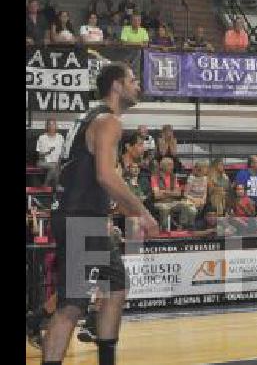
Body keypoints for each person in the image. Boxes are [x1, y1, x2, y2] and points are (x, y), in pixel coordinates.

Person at [41, 62, 160, 365]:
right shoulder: (109, 121)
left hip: (80, 215)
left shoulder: (87, 118)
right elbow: (106, 176)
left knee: (115, 283)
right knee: (72, 306)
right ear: (117, 86)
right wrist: (142, 213)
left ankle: (107, 358)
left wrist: (99, 213)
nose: (138, 86)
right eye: (133, 80)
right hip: (79, 218)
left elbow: (61, 171)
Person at [36, 118, 64, 188]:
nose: (51, 126)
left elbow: (62, 153)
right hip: (43, 162)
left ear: (56, 126)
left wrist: (59, 162)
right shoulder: (42, 137)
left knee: (56, 167)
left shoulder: (60, 137)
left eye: (53, 124)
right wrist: (48, 152)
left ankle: (52, 187)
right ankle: (48, 185)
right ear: (47, 126)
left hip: (56, 162)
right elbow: (40, 155)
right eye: (49, 124)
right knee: (54, 166)